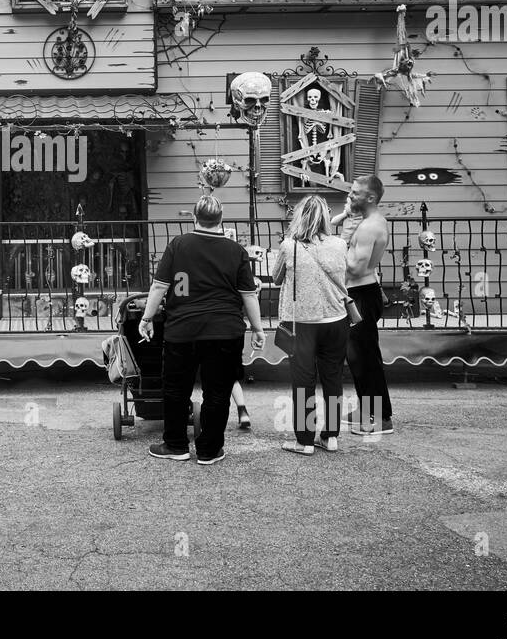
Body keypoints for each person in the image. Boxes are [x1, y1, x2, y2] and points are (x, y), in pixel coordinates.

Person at [140, 195, 266, 465]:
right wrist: (257, 328)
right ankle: (209, 450)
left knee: (175, 389)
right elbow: (248, 295)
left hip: (182, 329)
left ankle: (175, 445)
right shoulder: (236, 252)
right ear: (221, 220)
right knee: (218, 392)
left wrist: (147, 317)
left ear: (194, 218)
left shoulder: (178, 245)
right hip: (225, 330)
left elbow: (159, 286)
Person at [275, 195, 350, 455]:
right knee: (333, 379)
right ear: (326, 218)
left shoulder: (288, 245)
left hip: (302, 322)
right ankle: (330, 437)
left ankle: (304, 441)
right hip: (336, 318)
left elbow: (276, 278)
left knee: (303, 381)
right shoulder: (340, 244)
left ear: (299, 216)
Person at [332, 176, 393, 435]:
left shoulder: (369, 227)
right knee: (360, 357)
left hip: (361, 296)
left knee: (364, 358)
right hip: (362, 293)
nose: (351, 196)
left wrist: (334, 249)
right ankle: (367, 408)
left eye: (356, 193)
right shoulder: (370, 222)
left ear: (370, 197)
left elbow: (356, 268)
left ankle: (381, 418)